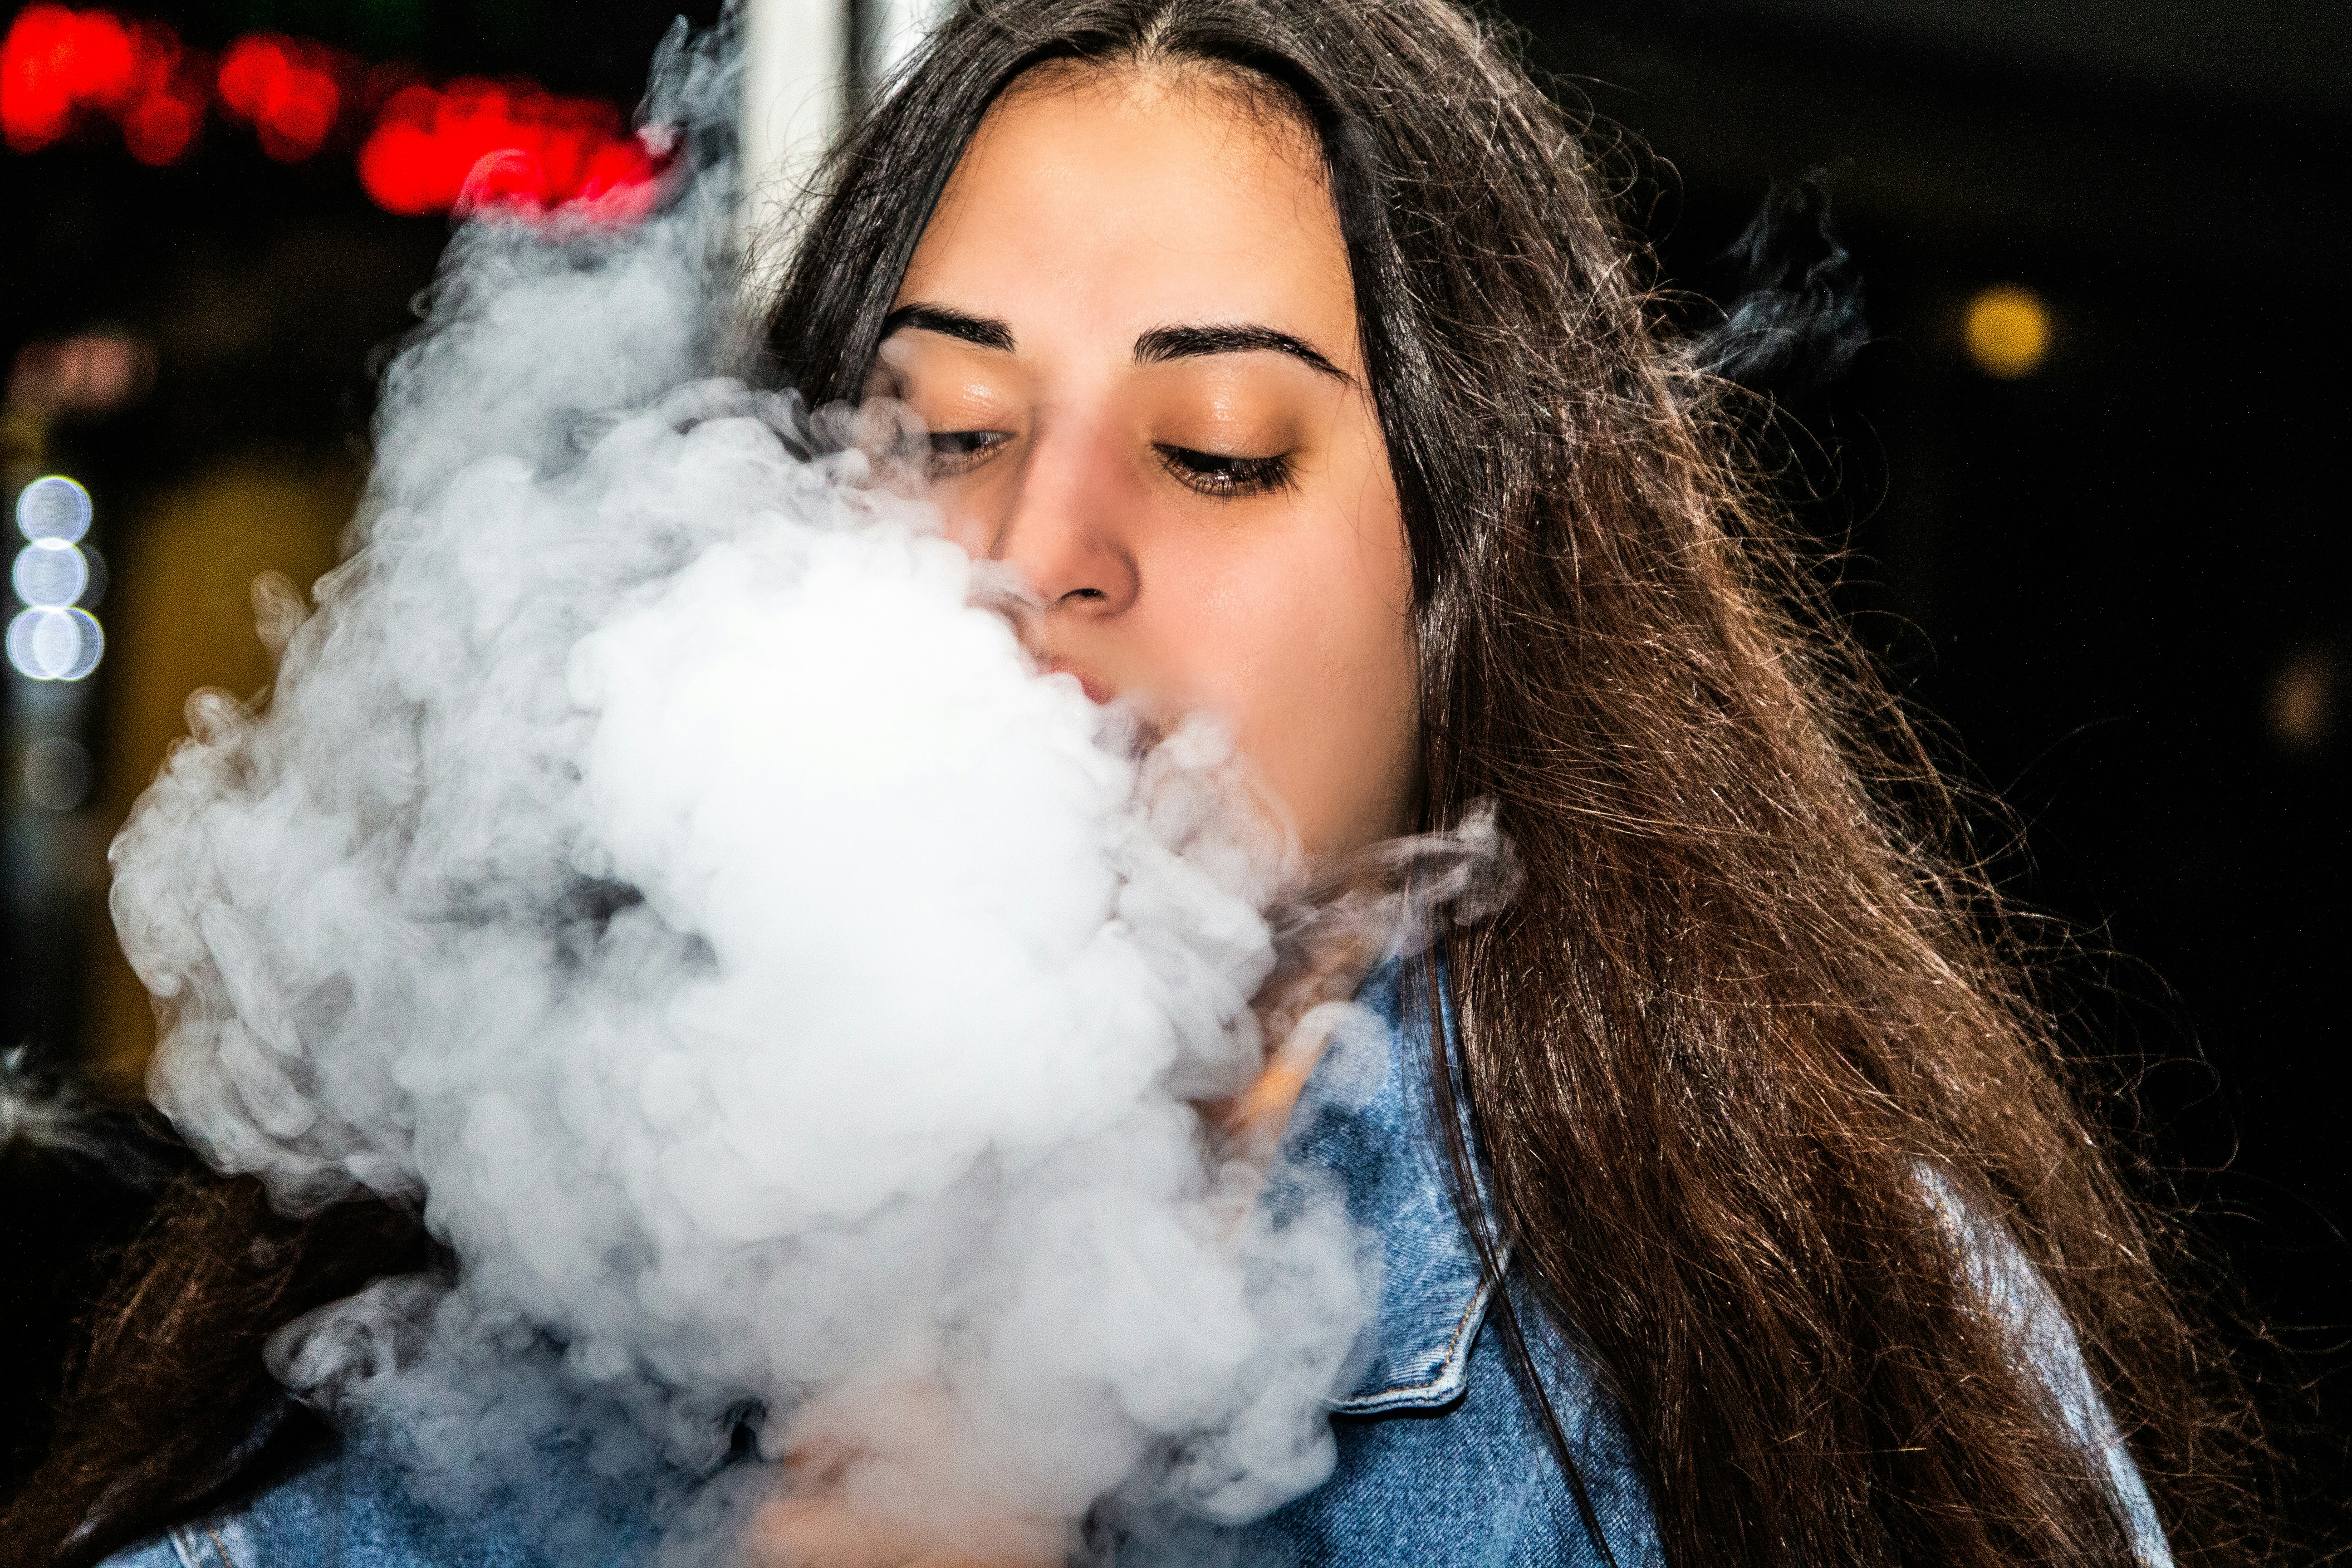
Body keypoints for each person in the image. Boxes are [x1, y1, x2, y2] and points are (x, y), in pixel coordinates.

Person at [2, 1, 2262, 1565]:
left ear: (1471, 595)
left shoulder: (1774, 1322)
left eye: (1217, 451)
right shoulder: (534, 1237)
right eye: (949, 433)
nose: (1034, 554)